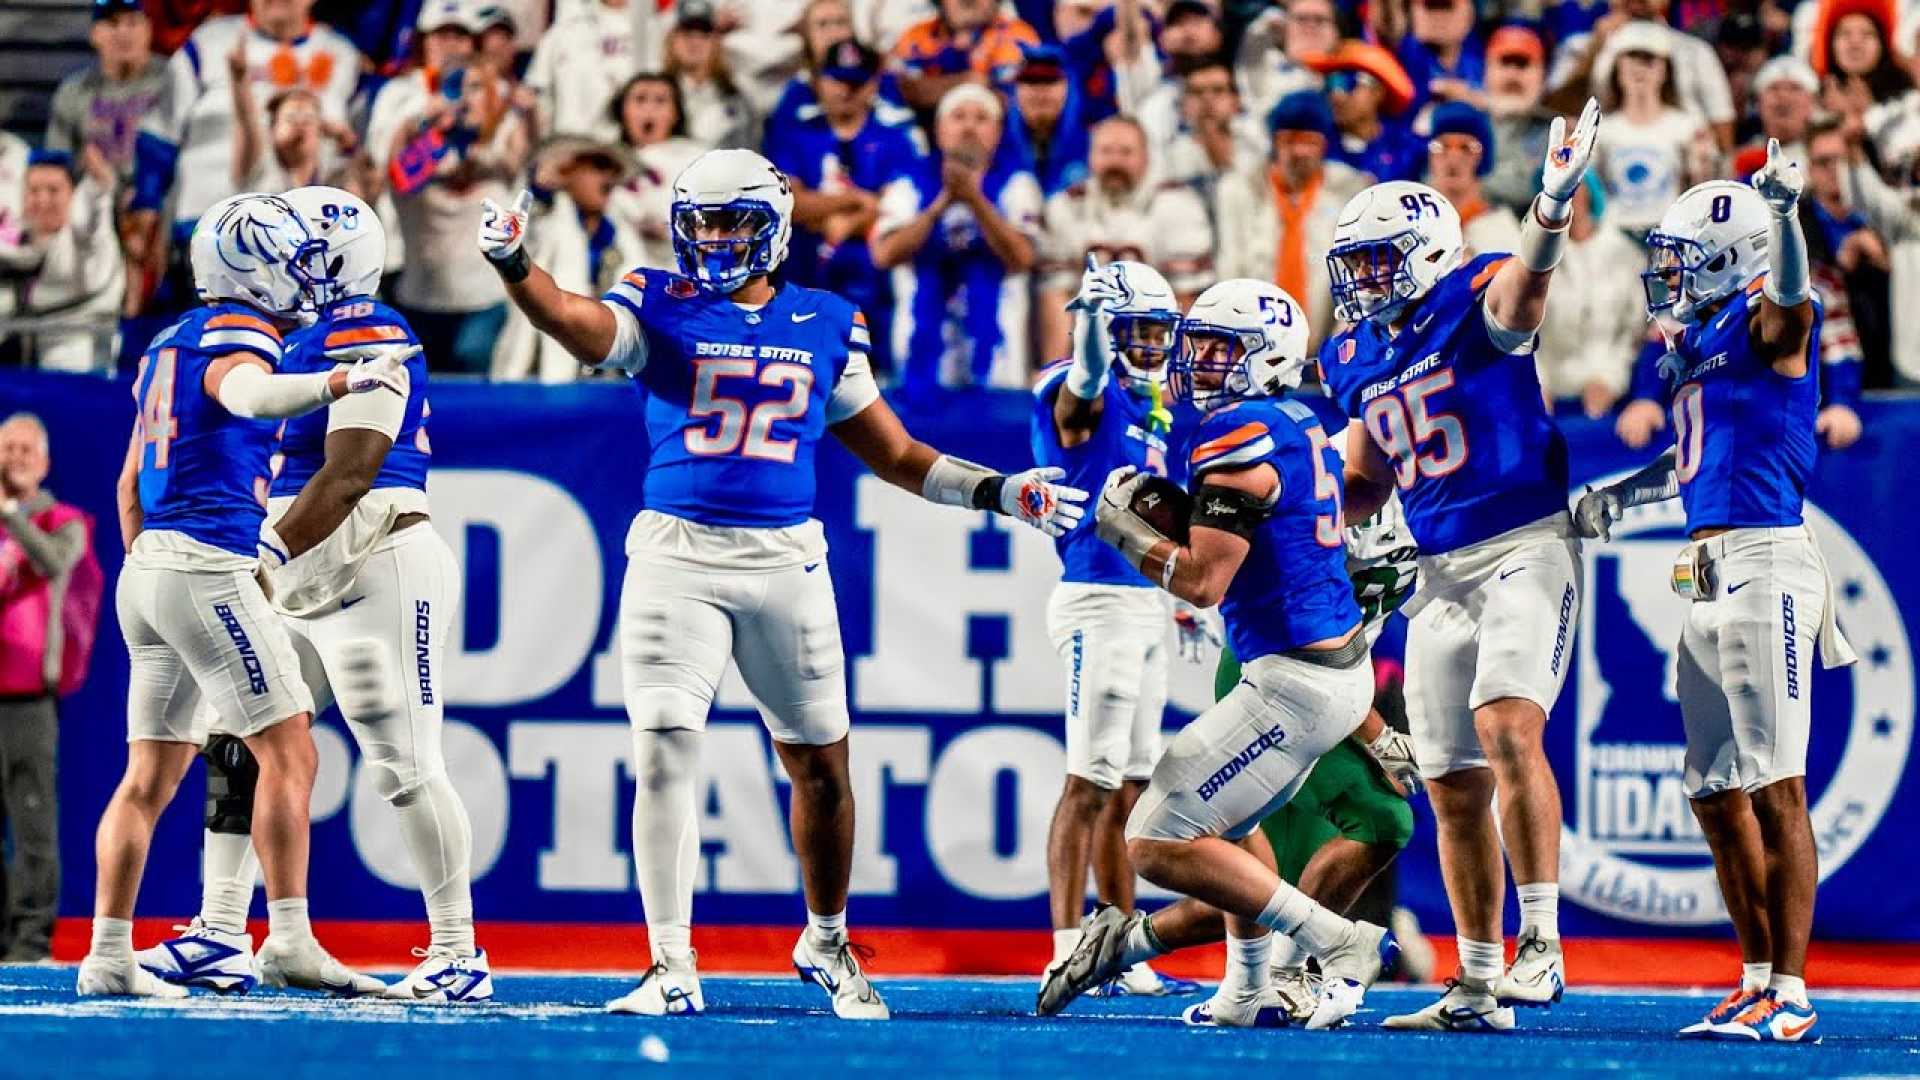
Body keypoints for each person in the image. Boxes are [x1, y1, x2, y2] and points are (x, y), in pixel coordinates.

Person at [473, 147, 1087, 1017]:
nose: (716, 239)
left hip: (787, 558)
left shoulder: (828, 319)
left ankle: (827, 938)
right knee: (663, 749)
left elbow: (898, 454)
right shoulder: (660, 297)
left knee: (823, 768)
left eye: (733, 222)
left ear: (774, 229)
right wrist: (515, 266)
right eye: (703, 223)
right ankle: (669, 963)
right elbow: (577, 323)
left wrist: (998, 491)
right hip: (677, 554)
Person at [134, 186, 490, 1003]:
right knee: (240, 738)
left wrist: (269, 547)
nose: (274, 272)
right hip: (290, 556)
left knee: (404, 762)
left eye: (293, 256)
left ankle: (457, 950)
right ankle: (220, 932)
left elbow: (353, 467)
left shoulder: (369, 329)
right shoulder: (277, 338)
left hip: (374, 554)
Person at [1047, 278, 1399, 1031]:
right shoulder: (1296, 422)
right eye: (1198, 343)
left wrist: (1126, 534)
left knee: (1152, 839)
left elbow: (1203, 583)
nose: (1198, 360)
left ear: (1265, 358)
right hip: (1326, 668)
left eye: (1220, 348)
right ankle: (1246, 992)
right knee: (1231, 831)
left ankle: (1340, 941)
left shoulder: (1238, 435)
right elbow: (1350, 489)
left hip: (1294, 680)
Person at [1320, 99, 1604, 1030]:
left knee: (1508, 726)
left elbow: (1522, 296)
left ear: (1426, 250)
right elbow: (1366, 474)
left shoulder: (1471, 288)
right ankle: (1479, 984)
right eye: (1350, 264)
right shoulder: (1354, 350)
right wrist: (1325, 515)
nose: (1360, 280)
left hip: (1524, 544)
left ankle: (1543, 945)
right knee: (1448, 783)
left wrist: (1550, 208)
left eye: (1374, 260)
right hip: (1435, 568)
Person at [78, 192, 404, 998]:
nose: (304, 277)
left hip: (148, 566)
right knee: (289, 749)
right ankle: (289, 936)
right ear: (249, 264)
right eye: (291, 259)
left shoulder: (164, 343)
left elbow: (127, 484)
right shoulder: (240, 336)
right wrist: (335, 382)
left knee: (147, 779)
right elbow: (250, 395)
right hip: (202, 563)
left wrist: (152, 566)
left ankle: (107, 955)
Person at [1572, 142, 1853, 1043]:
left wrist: (1785, 215)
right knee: (1712, 788)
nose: (1666, 275)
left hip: (1767, 558)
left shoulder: (1769, 320)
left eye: (1683, 259)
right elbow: (1694, 456)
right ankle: (1756, 975)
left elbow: (1791, 311)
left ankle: (1795, 995)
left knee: (1777, 783)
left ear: (1734, 258)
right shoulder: (1696, 340)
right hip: (1705, 570)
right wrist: (1621, 492)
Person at [1031, 259, 1201, 1002]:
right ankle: (1067, 943)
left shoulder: (1155, 408)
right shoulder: (1074, 388)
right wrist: (1095, 333)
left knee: (1130, 787)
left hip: (1144, 602)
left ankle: (1116, 949)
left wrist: (1188, 598)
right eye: (1132, 329)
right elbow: (1084, 389)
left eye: (1157, 330)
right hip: (1095, 598)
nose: (1150, 345)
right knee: (1087, 781)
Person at [127, 0, 362, 324]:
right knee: (209, 346)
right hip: (211, 227)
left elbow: (361, 146)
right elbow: (159, 132)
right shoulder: (209, 42)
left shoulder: (343, 55)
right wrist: (147, 205)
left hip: (308, 244)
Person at [0, 414, 103, 964]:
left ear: (43, 462)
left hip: (28, 697)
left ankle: (30, 940)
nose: (14, 456)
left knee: (33, 822)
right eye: (6, 447)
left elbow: (52, 563)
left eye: (25, 449)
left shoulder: (66, 520)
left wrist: (12, 516)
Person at [871, 83, 1042, 394]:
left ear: (998, 131)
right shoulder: (906, 183)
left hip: (999, 355)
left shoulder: (1018, 185)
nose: (969, 126)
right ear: (938, 129)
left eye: (981, 118)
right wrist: (942, 204)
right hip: (920, 353)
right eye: (958, 116)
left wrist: (975, 200)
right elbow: (884, 254)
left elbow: (1023, 258)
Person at [766, 40, 921, 377]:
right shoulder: (797, 134)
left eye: (855, 82)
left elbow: (903, 204)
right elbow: (786, 203)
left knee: (875, 377)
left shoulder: (897, 138)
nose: (845, 91)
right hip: (804, 269)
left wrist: (846, 222)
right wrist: (854, 201)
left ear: (873, 84)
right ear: (819, 81)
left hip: (876, 276)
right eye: (836, 80)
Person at [1034, 117, 1213, 360]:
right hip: (1089, 350)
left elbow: (1186, 300)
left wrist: (1174, 374)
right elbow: (1057, 298)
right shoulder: (1064, 207)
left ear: (1146, 158)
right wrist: (1055, 368)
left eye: (1126, 152)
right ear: (1090, 157)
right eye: (1106, 151)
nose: (1115, 161)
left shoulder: (1178, 205)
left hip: (1156, 347)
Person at [1213, 91, 1368, 355]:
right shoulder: (1238, 189)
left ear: (1323, 146)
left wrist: (1339, 352)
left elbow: (1357, 278)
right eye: (1290, 141)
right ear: (1274, 144)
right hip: (1254, 348)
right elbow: (1230, 270)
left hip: (1325, 348)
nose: (1299, 151)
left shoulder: (1350, 190)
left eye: (1309, 142)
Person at [493, 137, 644, 380]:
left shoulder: (621, 232)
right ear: (568, 175)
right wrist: (540, 185)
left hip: (604, 363)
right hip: (539, 363)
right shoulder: (548, 219)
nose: (606, 178)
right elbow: (524, 221)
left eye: (609, 170)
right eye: (596, 168)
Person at [1534, 175, 1646, 417]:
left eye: (1575, 189)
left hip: (1612, 394)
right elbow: (1523, 333)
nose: (1568, 198)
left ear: (1589, 193)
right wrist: (1536, 383)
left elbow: (1635, 332)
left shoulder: (1627, 255)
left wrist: (1610, 377)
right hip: (1548, 394)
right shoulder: (1531, 258)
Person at [1589, 21, 1715, 236]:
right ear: (1617, 69)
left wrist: (1702, 164)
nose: (1639, 69)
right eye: (1631, 59)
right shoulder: (1603, 130)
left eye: (1649, 61)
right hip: (1614, 235)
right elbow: (1589, 190)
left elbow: (1702, 192)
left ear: (1665, 70)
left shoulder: (1686, 125)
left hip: (1669, 234)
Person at [5, 150, 124, 372]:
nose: (42, 200)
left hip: (85, 359)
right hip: (34, 360)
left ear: (72, 195)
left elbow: (94, 211)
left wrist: (100, 184)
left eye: (53, 191)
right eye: (33, 191)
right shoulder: (19, 241)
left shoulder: (85, 236)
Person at [44, 0, 169, 187]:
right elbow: (55, 165)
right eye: (113, 23)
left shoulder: (172, 80)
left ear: (148, 29)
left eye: (132, 22)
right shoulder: (73, 91)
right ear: (95, 34)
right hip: (92, 202)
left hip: (160, 203)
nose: (123, 32)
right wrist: (82, 165)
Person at [607, 73, 710, 273]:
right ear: (622, 111)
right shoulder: (601, 162)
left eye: (660, 101)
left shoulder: (699, 158)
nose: (649, 109)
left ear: (675, 113)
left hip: (685, 277)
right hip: (622, 277)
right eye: (640, 99)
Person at [890, 0, 1040, 112]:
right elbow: (903, 91)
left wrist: (934, 87)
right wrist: (968, 81)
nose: (968, 1)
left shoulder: (1018, 35)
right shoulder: (916, 34)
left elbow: (1015, 103)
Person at [525, 0, 638, 140]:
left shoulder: (652, 29)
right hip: (569, 146)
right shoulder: (562, 32)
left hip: (627, 150)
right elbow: (534, 95)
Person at [1425, 102, 1522, 254]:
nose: (1454, 157)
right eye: (1442, 146)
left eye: (1467, 148)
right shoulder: (1412, 223)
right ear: (1430, 156)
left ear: (1483, 158)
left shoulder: (1501, 228)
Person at [1484, 25, 1556, 215]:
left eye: (1523, 65)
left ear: (1542, 75)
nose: (1513, 75)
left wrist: (1473, 186)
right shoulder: (1461, 124)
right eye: (1505, 63)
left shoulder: (1557, 131)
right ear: (1487, 70)